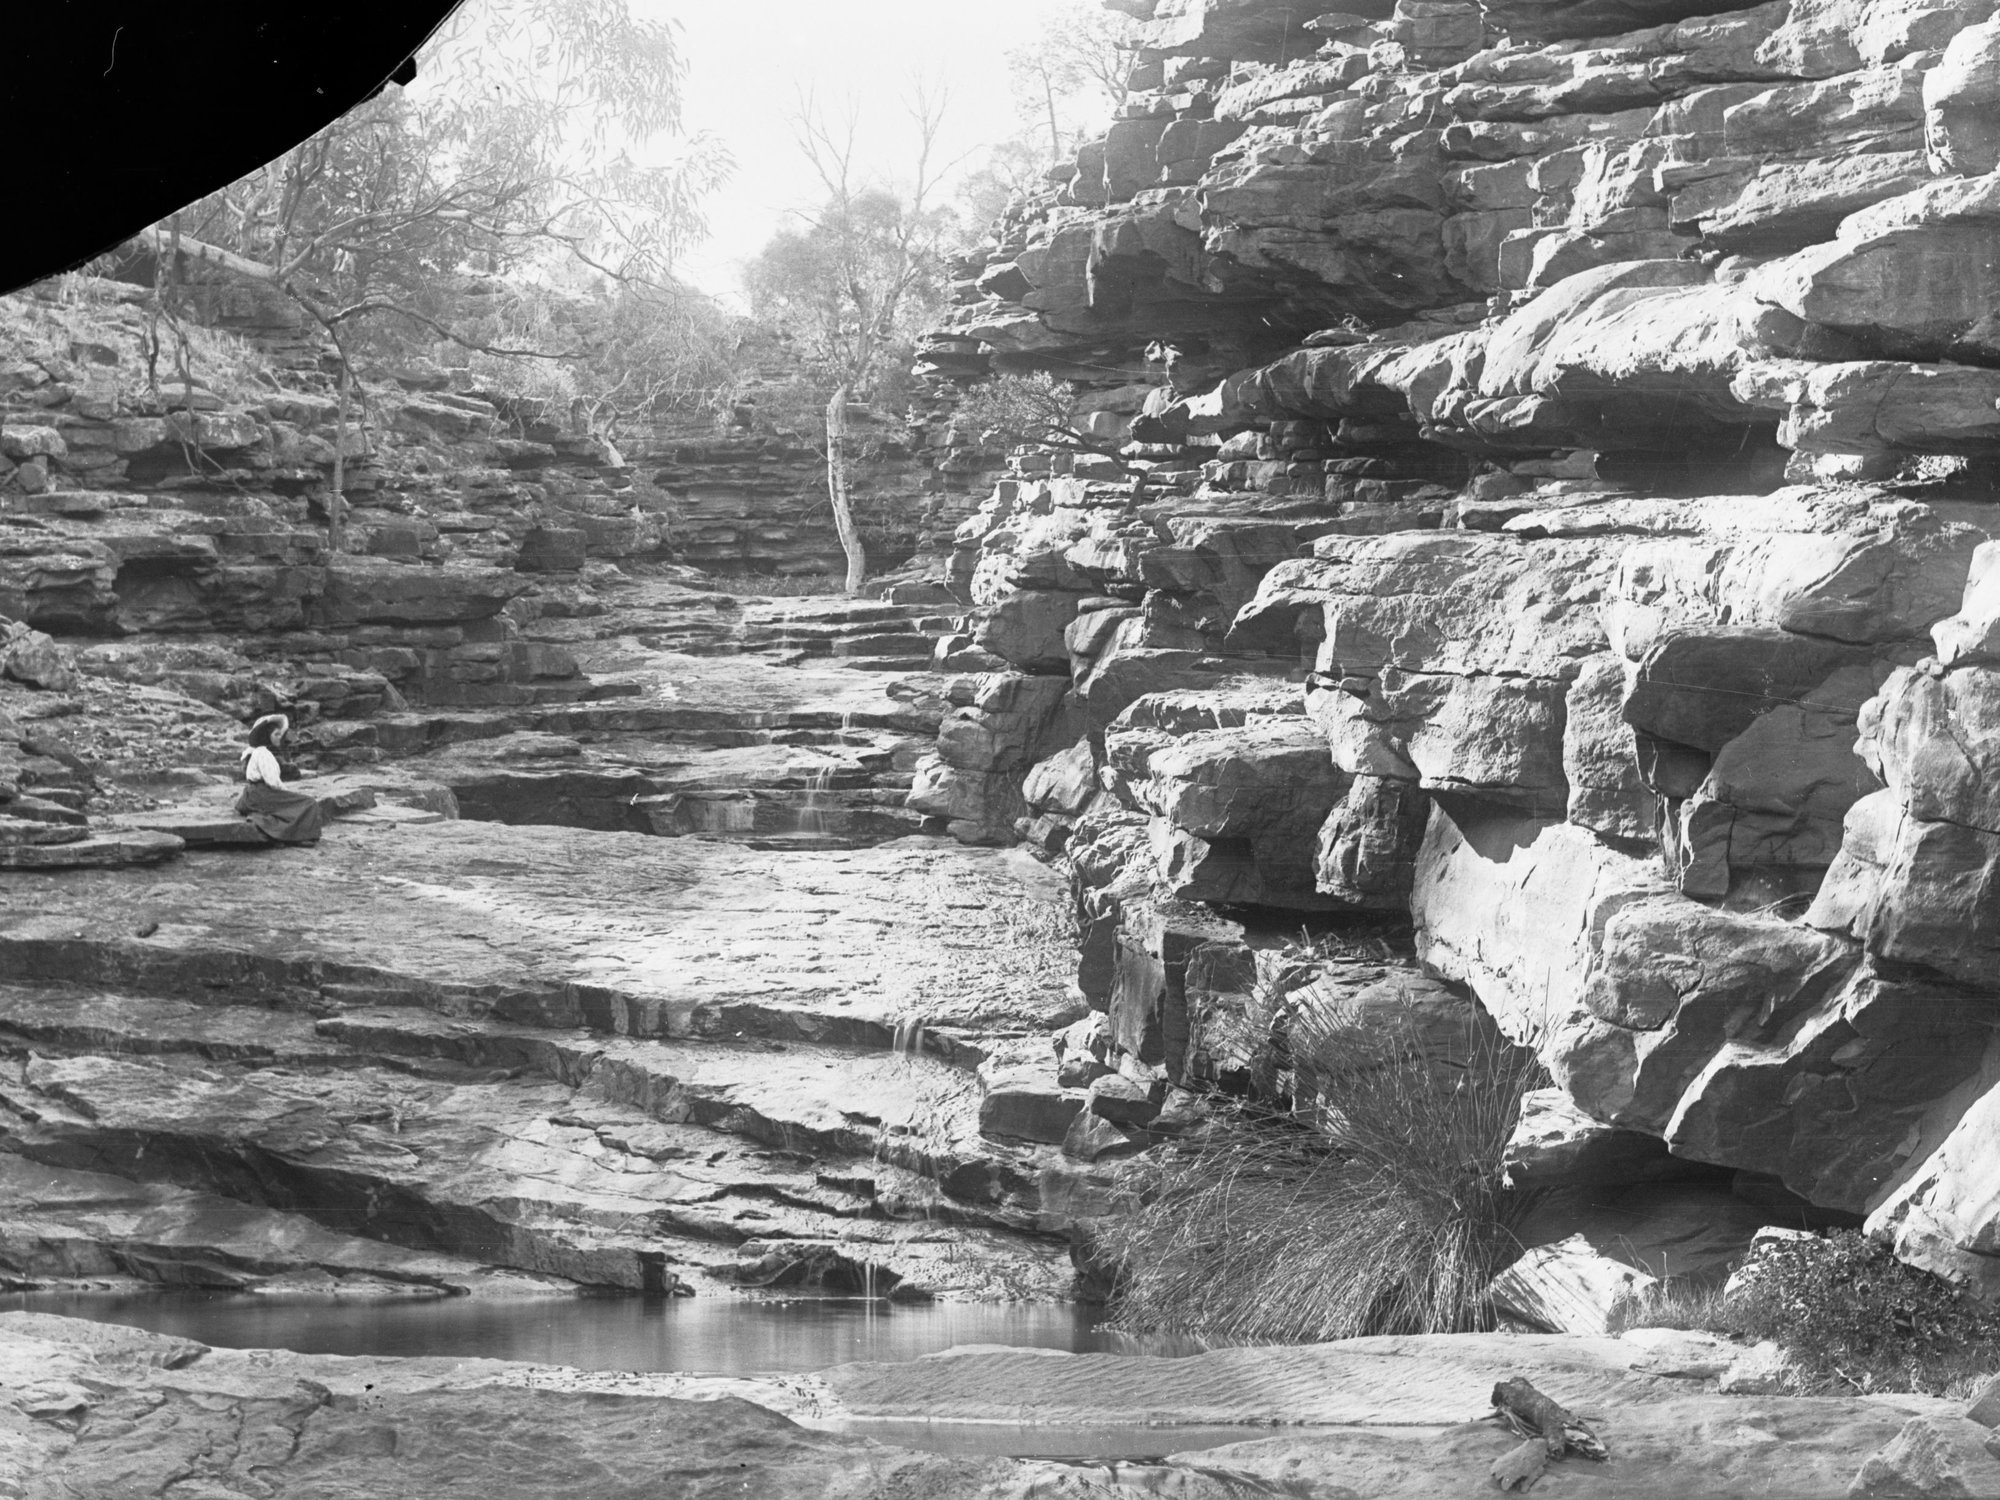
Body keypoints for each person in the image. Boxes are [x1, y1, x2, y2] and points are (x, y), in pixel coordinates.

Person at [234, 713, 325, 845]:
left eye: (279, 735)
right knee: (309, 803)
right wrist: (287, 792)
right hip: (262, 794)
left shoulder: (258, 752)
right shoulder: (263, 753)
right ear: (266, 736)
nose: (279, 738)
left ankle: (292, 834)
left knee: (297, 803)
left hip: (255, 794)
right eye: (276, 734)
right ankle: (293, 836)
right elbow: (273, 783)